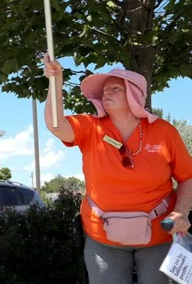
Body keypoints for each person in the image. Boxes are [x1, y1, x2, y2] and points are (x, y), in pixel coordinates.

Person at [43, 59, 192, 284]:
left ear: (134, 94)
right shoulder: (90, 127)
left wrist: (181, 212)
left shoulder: (164, 131)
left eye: (115, 88)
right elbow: (56, 125)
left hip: (158, 235)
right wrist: (55, 82)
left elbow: (187, 176)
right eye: (104, 90)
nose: (107, 93)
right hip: (102, 237)